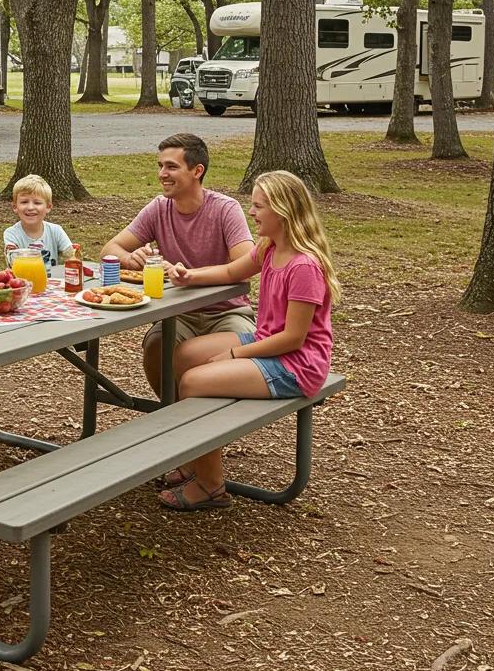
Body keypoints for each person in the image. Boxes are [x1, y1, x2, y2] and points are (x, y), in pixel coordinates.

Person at [157, 170, 340, 511]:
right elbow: (230, 272)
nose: (252, 213)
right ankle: (196, 455)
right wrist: (188, 275)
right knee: (185, 354)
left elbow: (293, 338)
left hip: (297, 364)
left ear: (284, 211)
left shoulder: (304, 267)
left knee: (195, 382)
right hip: (268, 340)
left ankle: (210, 486)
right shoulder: (270, 247)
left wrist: (234, 354)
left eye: (259, 207)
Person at [100, 132, 255, 399]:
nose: (162, 173)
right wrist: (130, 258)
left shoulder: (225, 209)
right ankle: (172, 415)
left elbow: (248, 262)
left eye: (171, 166)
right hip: (179, 314)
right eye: (160, 166)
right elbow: (109, 250)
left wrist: (191, 276)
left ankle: (209, 429)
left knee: (234, 360)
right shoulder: (158, 208)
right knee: (157, 343)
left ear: (197, 171)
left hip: (227, 312)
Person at [2, 174, 73, 275]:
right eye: (24, 202)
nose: (30, 207)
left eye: (37, 203)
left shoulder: (56, 230)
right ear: (15, 207)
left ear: (48, 207)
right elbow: (14, 264)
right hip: (24, 284)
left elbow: (71, 256)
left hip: (53, 285)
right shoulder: (11, 234)